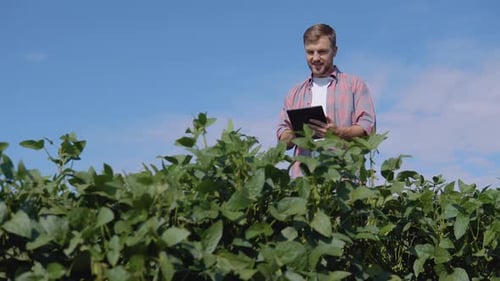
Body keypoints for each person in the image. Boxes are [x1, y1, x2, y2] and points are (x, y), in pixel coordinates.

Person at [276, 23, 376, 177]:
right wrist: (296, 133)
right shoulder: (294, 93)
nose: (315, 58)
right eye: (310, 52)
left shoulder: (354, 85)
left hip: (344, 177)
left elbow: (368, 128)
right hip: (304, 181)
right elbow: (282, 137)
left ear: (335, 51)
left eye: (322, 52)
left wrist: (338, 132)